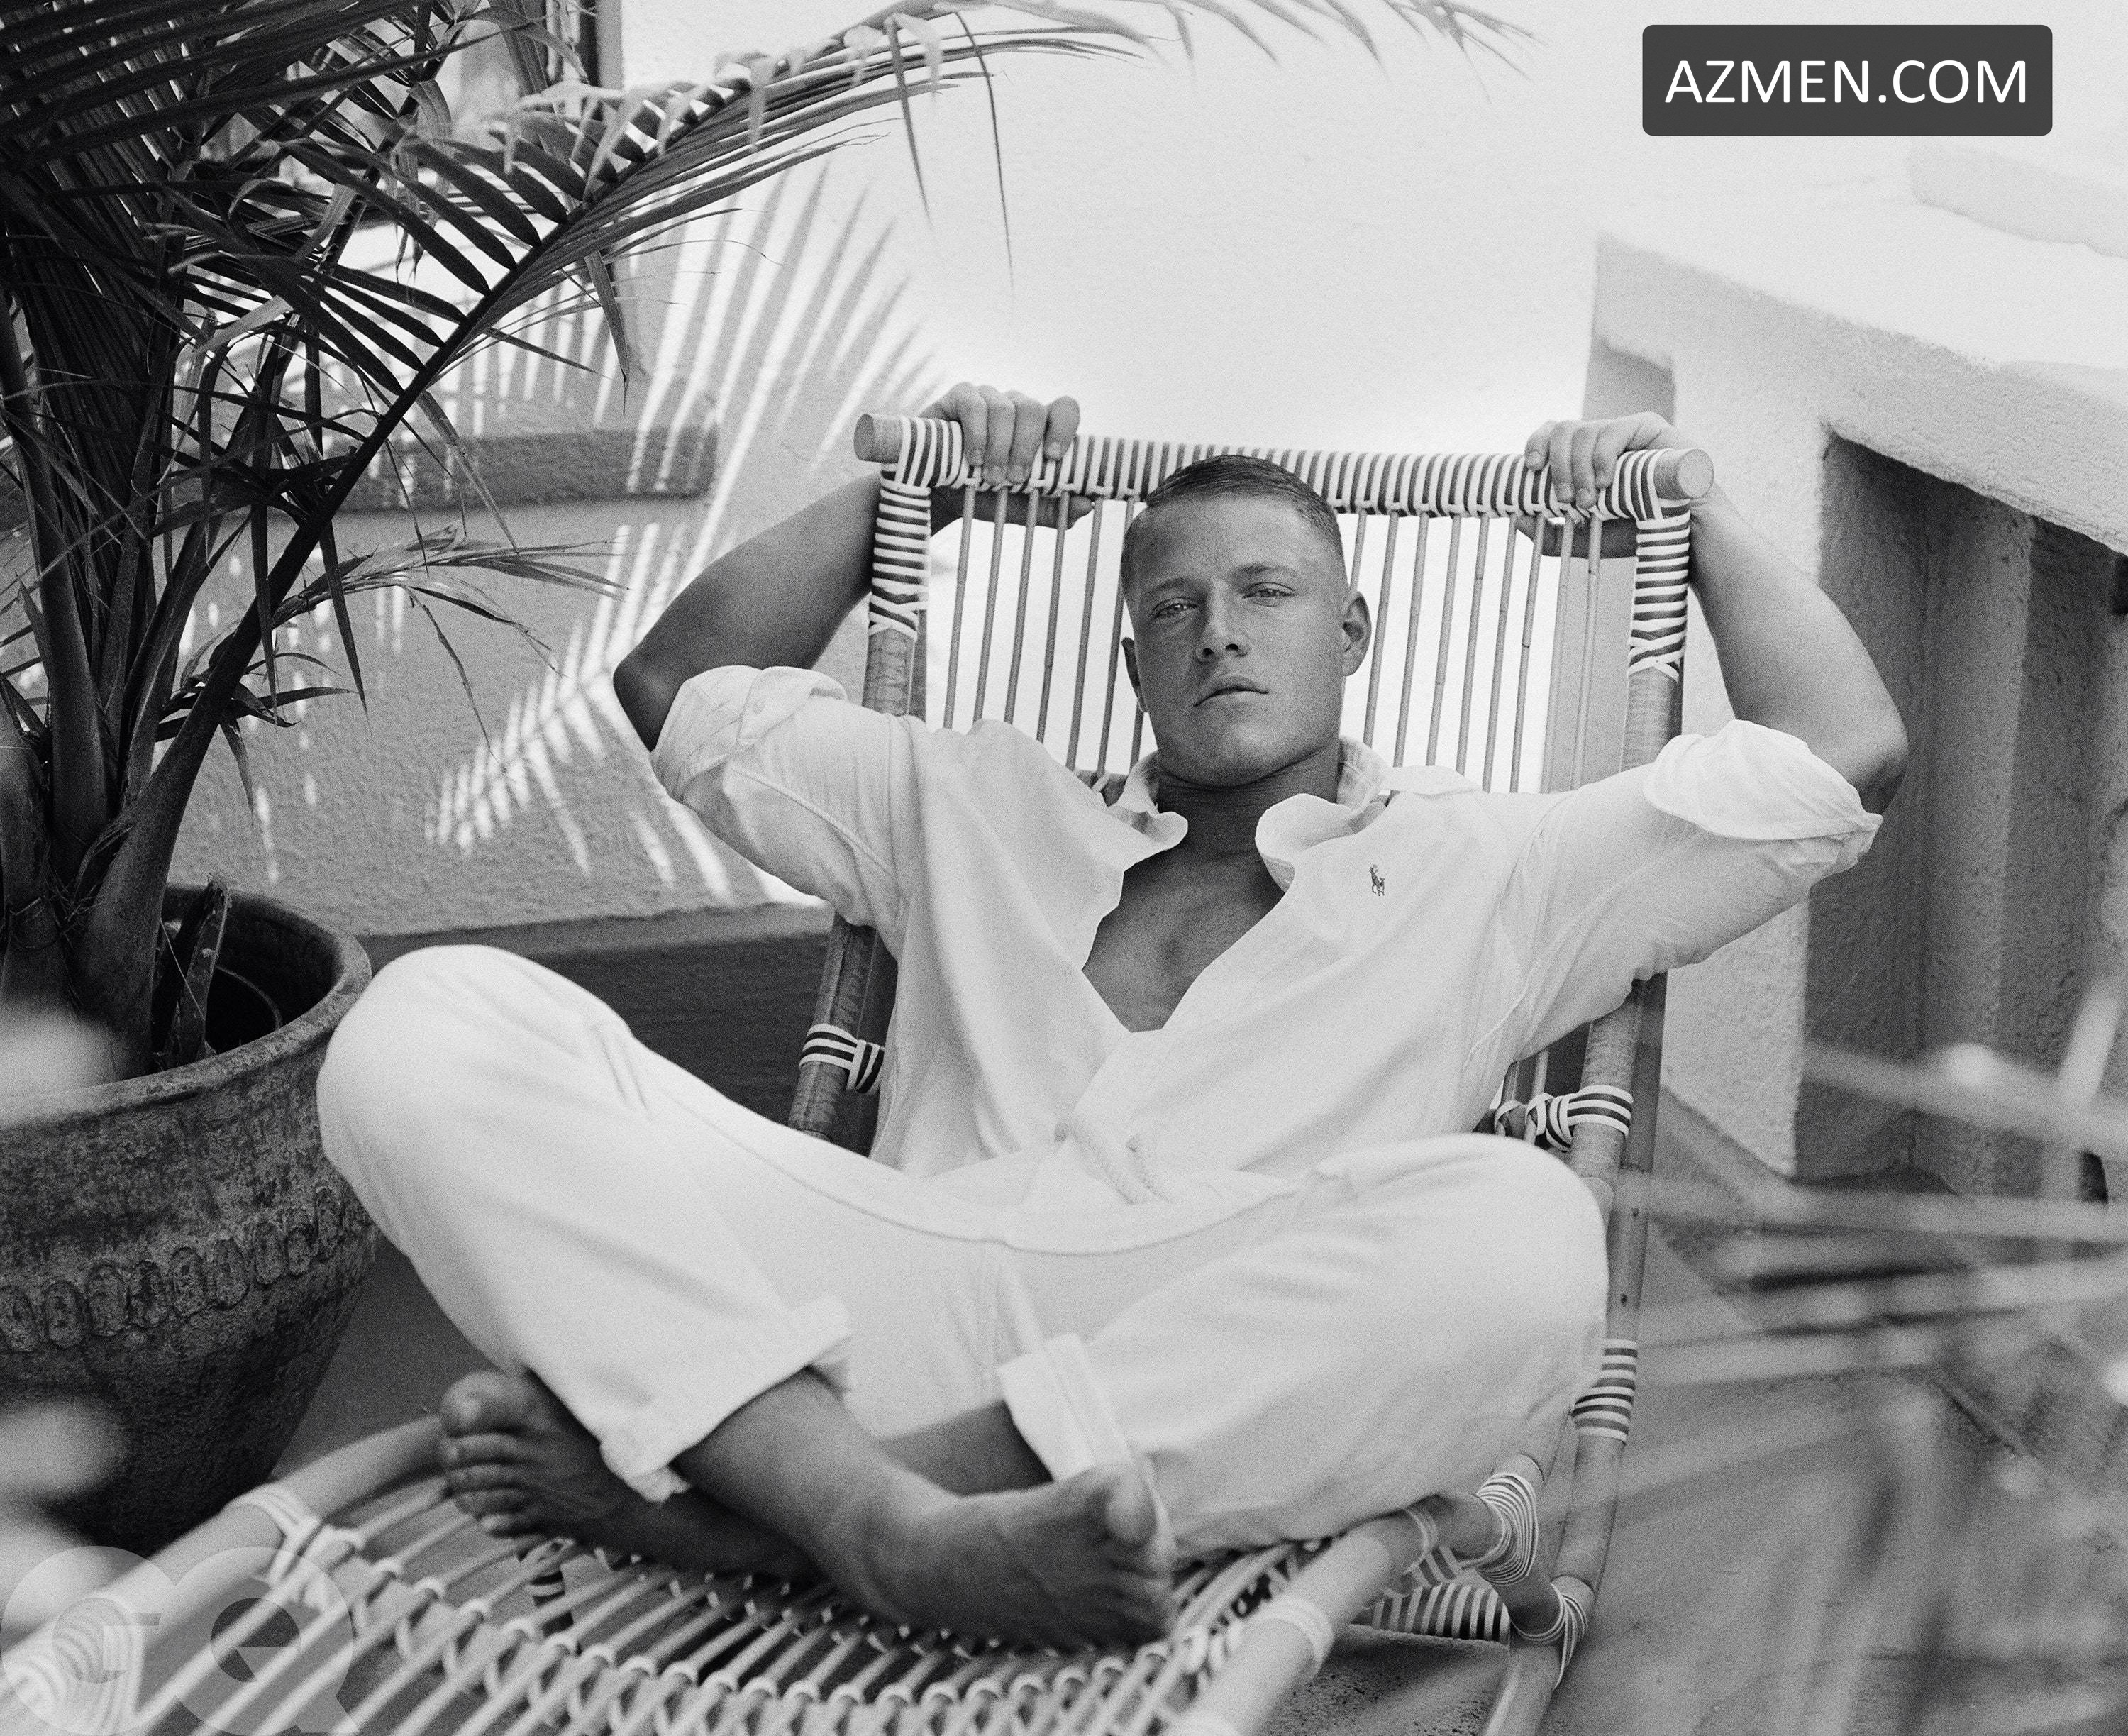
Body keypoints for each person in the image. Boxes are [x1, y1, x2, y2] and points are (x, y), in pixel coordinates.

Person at [317, 386, 1907, 1650]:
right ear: (1133, 653)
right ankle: (874, 1519)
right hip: (872, 1302)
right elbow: (680, 687)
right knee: (429, 1019)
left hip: (1211, 1340)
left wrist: (1693, 502)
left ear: (1352, 635)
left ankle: (787, 1514)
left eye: (1268, 591)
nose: (1220, 629)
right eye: (1174, 604)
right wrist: (910, 484)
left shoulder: (1494, 864)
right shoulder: (970, 801)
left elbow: (1842, 755)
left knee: (1530, 1233)